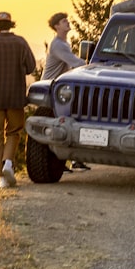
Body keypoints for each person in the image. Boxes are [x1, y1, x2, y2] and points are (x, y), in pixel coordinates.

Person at [0, 11, 36, 188]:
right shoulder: (20, 43)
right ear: (11, 25)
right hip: (15, 97)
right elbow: (31, 67)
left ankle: (1, 177)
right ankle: (8, 163)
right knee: (13, 132)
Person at [44, 11, 91, 171]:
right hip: (52, 89)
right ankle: (68, 161)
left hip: (60, 90)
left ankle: (70, 160)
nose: (67, 23)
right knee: (64, 124)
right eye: (64, 21)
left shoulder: (63, 43)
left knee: (67, 122)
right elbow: (76, 63)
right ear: (57, 26)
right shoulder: (57, 45)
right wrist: (92, 65)